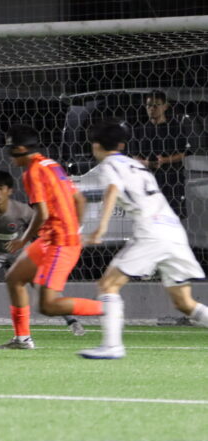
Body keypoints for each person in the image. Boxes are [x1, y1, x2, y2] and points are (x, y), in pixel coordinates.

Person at [79, 120, 208, 359]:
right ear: (121, 144)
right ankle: (111, 346)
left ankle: (112, 346)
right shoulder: (135, 165)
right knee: (184, 303)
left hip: (151, 232)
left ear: (95, 145)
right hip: (173, 231)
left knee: (108, 285)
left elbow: (112, 189)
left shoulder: (109, 165)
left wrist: (100, 228)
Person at [0, 124, 102, 350]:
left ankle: (108, 308)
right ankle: (22, 339)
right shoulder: (52, 165)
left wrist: (22, 240)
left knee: (48, 306)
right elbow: (79, 200)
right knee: (14, 277)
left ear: (20, 149)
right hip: (51, 239)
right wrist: (76, 229)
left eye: (10, 149)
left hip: (59, 243)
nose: (9, 155)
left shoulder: (32, 173)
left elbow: (42, 214)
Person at [0, 170, 86, 336]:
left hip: (20, 249)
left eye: (1, 188)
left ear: (9, 191)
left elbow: (40, 225)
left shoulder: (22, 210)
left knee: (44, 286)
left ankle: (73, 321)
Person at [130, 90, 189, 218]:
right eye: (149, 105)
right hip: (147, 182)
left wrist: (164, 160)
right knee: (150, 218)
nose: (152, 108)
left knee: (172, 217)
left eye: (156, 105)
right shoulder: (139, 130)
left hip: (172, 181)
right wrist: (147, 163)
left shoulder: (175, 128)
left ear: (165, 106)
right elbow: (134, 156)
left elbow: (183, 153)